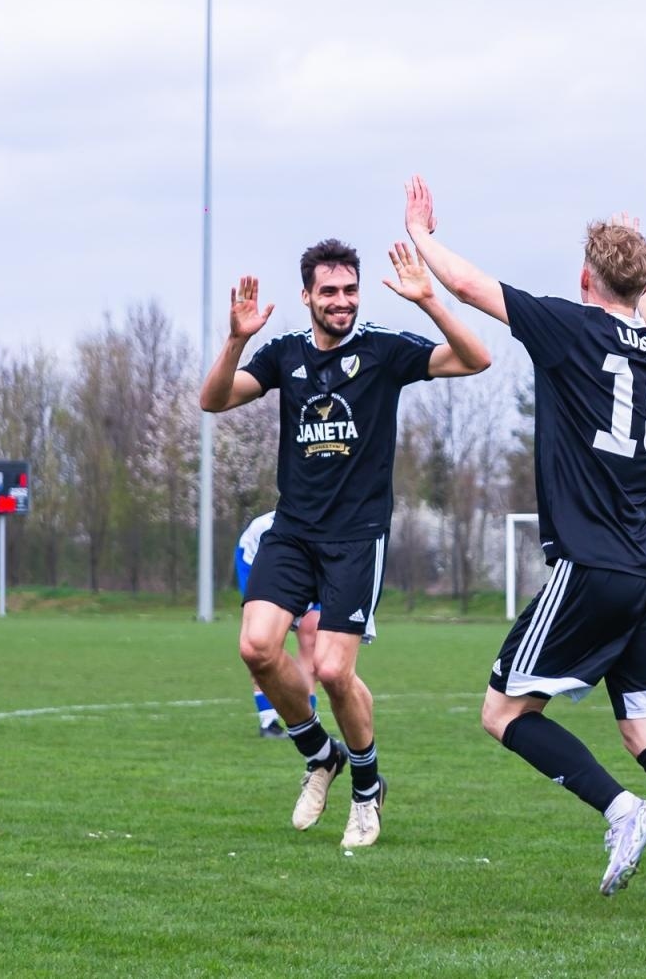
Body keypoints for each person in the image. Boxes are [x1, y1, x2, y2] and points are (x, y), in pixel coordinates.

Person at [404, 175, 646, 921]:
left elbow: (469, 285)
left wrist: (421, 233)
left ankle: (622, 810)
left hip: (592, 566)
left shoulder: (571, 326)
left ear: (586, 278)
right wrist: (636, 263)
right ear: (643, 285)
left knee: (502, 713)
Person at [200, 236, 491, 849]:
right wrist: (236, 339)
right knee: (256, 648)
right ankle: (320, 755)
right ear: (307, 296)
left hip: (356, 538)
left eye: (350, 290)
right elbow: (213, 400)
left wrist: (429, 301)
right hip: (293, 531)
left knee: (333, 670)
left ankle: (366, 788)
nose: (342, 301)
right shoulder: (284, 354)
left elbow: (475, 359)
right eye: (329, 291)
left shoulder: (382, 350)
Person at [236, 511, 320, 738]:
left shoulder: (336, 527)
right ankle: (268, 721)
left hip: (311, 567)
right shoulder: (265, 528)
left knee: (312, 635)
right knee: (263, 641)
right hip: (257, 561)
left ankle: (309, 722)